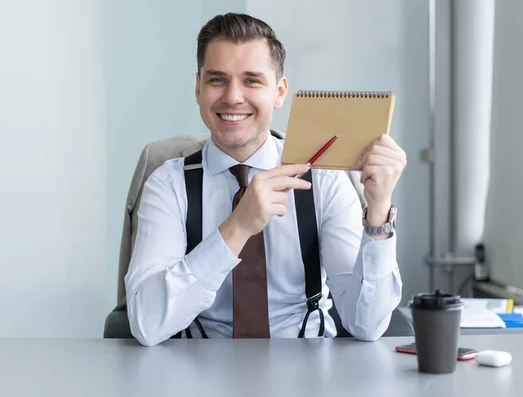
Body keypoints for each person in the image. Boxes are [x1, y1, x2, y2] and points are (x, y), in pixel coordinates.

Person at [124, 13, 407, 347]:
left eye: (252, 81)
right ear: (198, 88)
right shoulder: (167, 185)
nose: (232, 97)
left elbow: (366, 325)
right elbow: (146, 323)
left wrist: (378, 215)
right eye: (217, 80)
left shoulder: (325, 181)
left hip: (310, 371)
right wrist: (237, 228)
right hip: (198, 372)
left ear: (279, 91)